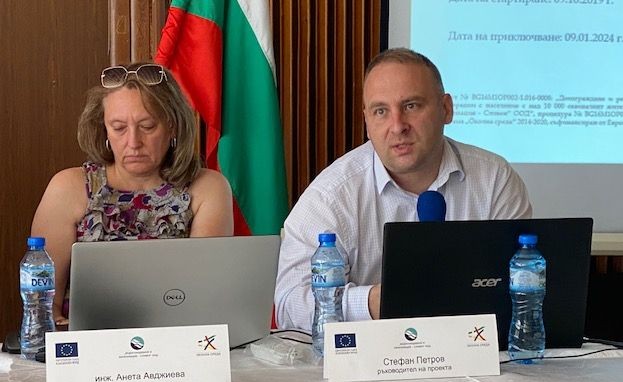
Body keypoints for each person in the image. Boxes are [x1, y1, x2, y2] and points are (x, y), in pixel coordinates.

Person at [275, 48, 532, 331]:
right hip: (368, 354)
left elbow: (525, 284)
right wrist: (375, 302)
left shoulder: (494, 179)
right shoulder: (332, 195)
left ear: (446, 109)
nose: (397, 126)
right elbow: (289, 305)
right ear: (367, 122)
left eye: (411, 106)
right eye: (381, 111)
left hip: (473, 345)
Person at [31, 62, 234, 327]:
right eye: (118, 127)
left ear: (173, 126)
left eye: (147, 126)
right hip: (88, 341)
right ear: (104, 129)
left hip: (178, 338)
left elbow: (204, 295)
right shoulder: (68, 188)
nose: (133, 142)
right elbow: (44, 308)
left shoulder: (208, 188)